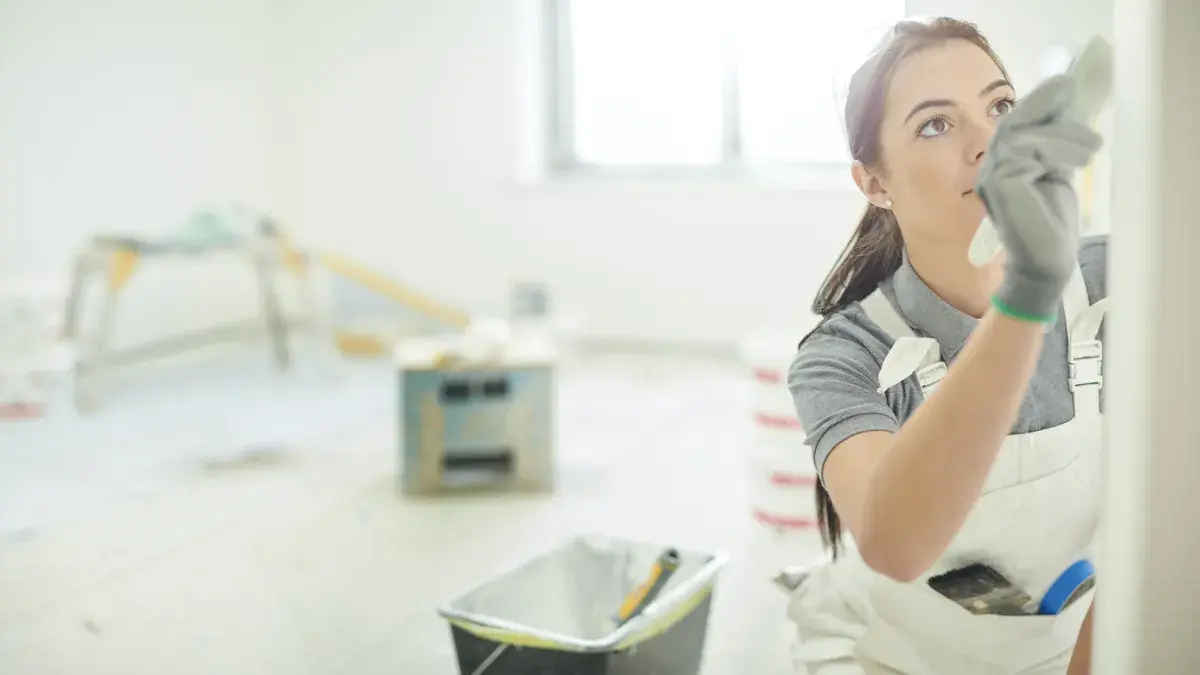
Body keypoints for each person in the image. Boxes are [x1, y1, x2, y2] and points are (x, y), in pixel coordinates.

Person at [785, 16, 1107, 675]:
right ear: (875, 183)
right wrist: (1028, 295)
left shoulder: (1111, 285)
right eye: (937, 123)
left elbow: (1149, 537)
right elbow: (896, 542)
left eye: (1001, 106)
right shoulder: (842, 358)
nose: (988, 142)